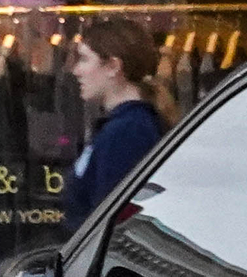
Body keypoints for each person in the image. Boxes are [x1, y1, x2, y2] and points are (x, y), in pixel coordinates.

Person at [63, 18, 174, 225]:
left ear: (113, 66)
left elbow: (111, 222)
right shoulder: (125, 125)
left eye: (85, 60)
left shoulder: (128, 131)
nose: (76, 70)